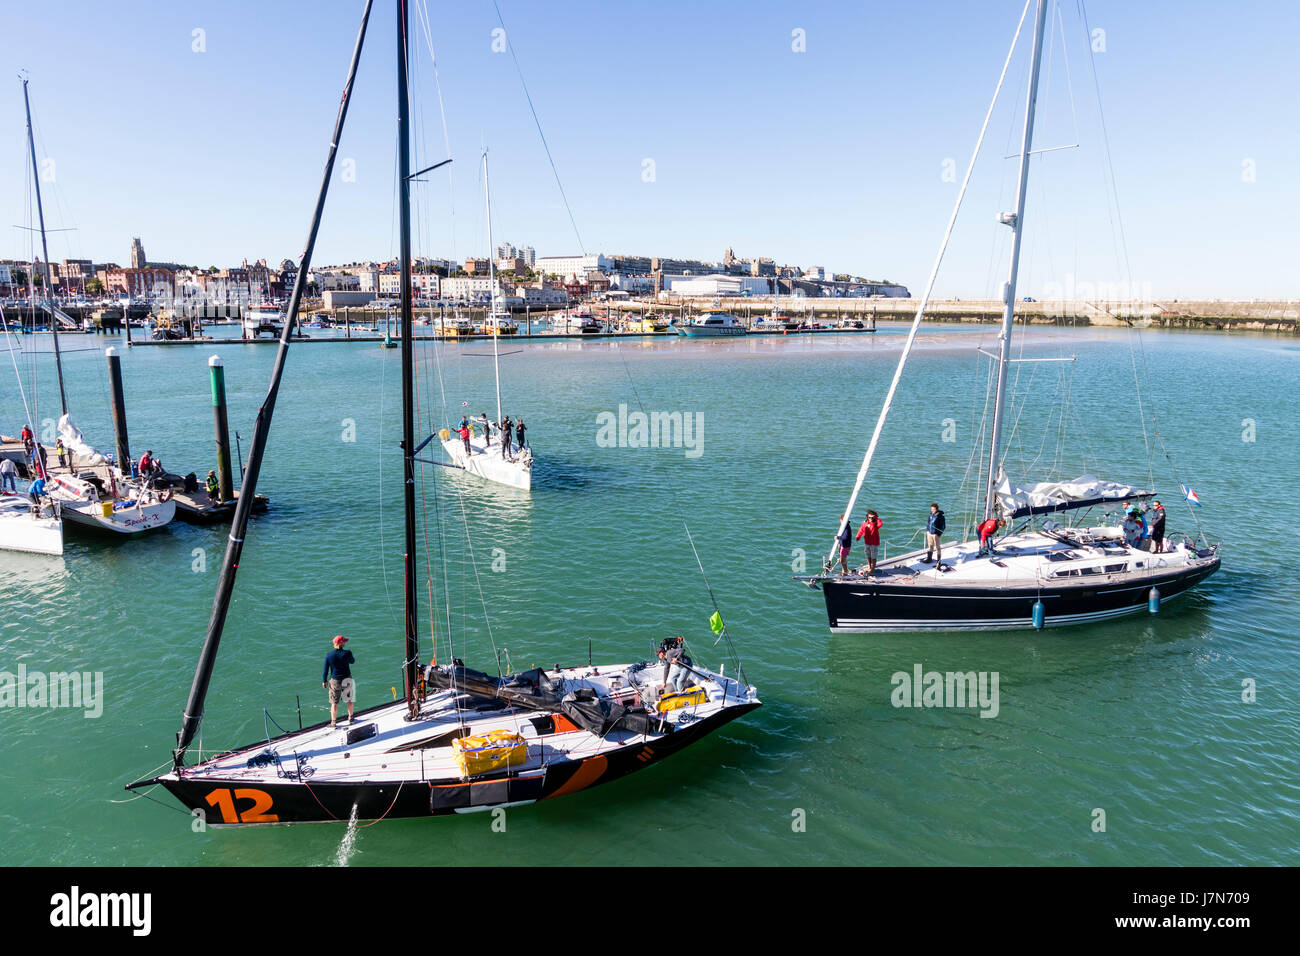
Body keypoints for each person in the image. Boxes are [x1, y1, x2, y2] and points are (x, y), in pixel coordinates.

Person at [321, 635, 356, 728]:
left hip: (335, 680)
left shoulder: (328, 655)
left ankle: (333, 722)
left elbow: (325, 670)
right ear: (341, 643)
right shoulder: (347, 653)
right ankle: (351, 718)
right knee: (349, 699)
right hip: (347, 678)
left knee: (334, 702)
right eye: (343, 641)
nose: (345, 642)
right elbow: (352, 661)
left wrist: (324, 681)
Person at [855, 509, 883, 575]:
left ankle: (873, 569)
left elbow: (880, 524)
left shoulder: (876, 523)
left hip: (874, 543)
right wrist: (858, 536)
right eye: (869, 517)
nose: (870, 518)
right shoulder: (865, 523)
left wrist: (875, 518)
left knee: (874, 556)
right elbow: (861, 529)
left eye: (872, 517)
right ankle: (869, 566)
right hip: (867, 542)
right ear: (867, 516)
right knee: (868, 555)